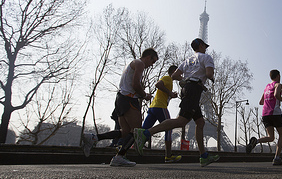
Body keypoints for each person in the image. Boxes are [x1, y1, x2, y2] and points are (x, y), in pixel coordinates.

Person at [133, 38, 219, 167]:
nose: (206, 48)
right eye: (204, 46)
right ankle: (145, 133)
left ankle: (203, 156)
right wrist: (211, 77)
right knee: (181, 121)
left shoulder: (188, 60)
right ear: (200, 46)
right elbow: (209, 73)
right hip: (194, 91)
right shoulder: (206, 57)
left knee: (200, 122)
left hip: (187, 89)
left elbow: (174, 76)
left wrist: (187, 78)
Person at [82, 48, 158, 166]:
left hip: (120, 98)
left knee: (125, 131)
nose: (151, 65)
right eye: (153, 62)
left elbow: (130, 85)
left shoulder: (132, 63)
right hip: (128, 99)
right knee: (138, 131)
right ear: (148, 57)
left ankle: (94, 138)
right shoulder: (140, 64)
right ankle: (120, 156)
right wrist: (145, 95)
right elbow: (135, 85)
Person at [246, 69, 282, 166]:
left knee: (271, 137)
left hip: (265, 114)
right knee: (281, 135)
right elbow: (276, 95)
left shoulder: (266, 87)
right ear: (278, 76)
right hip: (275, 113)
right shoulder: (278, 85)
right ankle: (277, 158)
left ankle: (256, 141)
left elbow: (261, 102)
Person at [141, 65, 181, 163]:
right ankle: (168, 156)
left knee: (142, 130)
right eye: (179, 73)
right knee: (169, 127)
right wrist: (170, 93)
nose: (181, 75)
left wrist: (171, 95)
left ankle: (125, 148)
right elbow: (158, 84)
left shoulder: (169, 81)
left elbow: (163, 93)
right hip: (160, 107)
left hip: (153, 107)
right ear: (174, 72)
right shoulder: (168, 78)